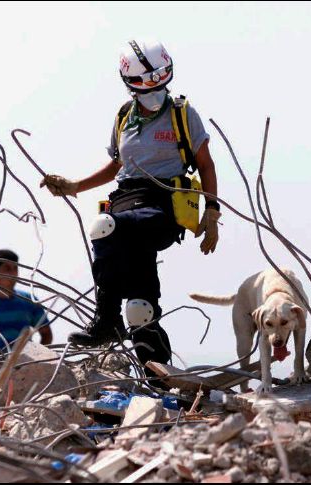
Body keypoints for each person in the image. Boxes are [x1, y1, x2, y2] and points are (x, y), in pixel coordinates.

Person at [40, 40, 221, 374]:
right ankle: (160, 377)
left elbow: (206, 165)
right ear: (130, 84)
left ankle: (106, 320)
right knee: (140, 309)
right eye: (144, 83)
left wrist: (212, 213)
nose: (153, 90)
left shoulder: (182, 114)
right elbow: (116, 166)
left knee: (104, 227)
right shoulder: (125, 116)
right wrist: (74, 186)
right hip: (126, 198)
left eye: (159, 81)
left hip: (164, 204)